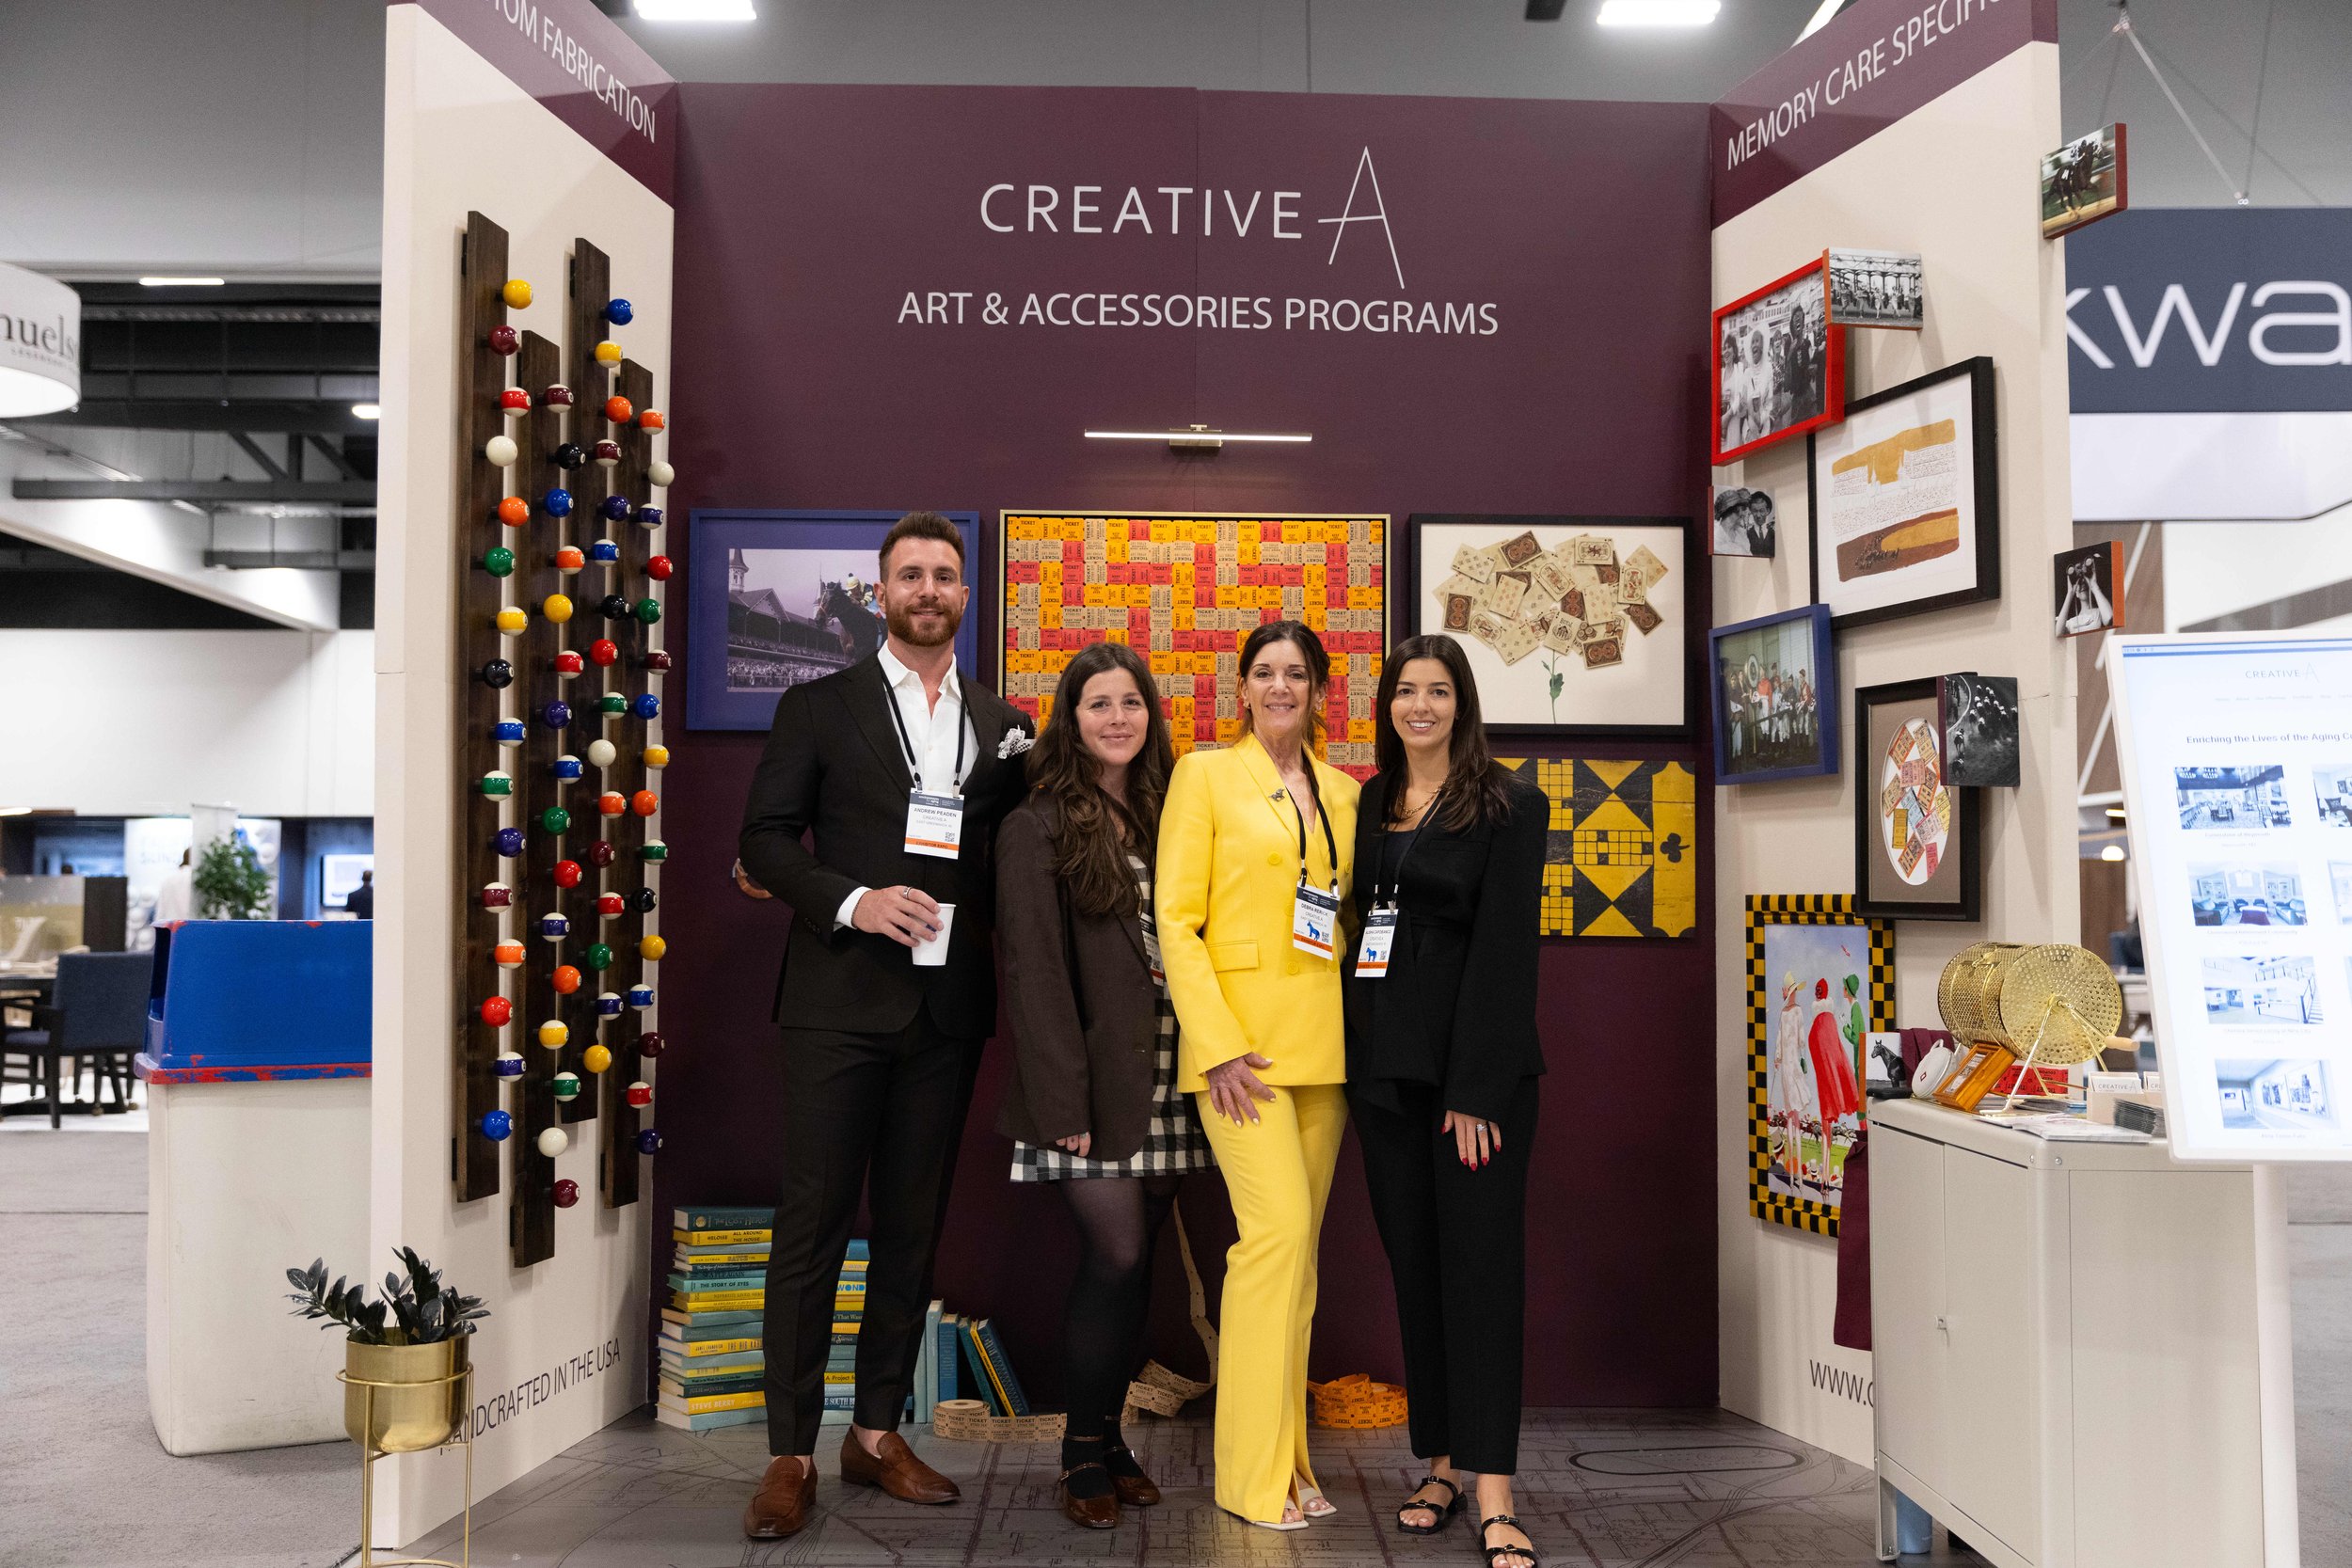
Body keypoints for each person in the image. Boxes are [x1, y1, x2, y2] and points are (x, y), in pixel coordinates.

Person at [734, 511, 1034, 1541]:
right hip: (835, 1006)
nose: (927, 588)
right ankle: (787, 1453)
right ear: (880, 591)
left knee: (912, 1232)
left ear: (963, 594)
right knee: (812, 1232)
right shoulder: (818, 707)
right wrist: (854, 898)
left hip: (945, 1011)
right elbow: (764, 840)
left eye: (945, 575)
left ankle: (873, 1434)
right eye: (909, 574)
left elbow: (1011, 860)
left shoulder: (1002, 724)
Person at [994, 641, 1212, 1530]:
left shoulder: (1170, 813)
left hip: (1171, 1067)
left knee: (1139, 1269)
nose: (1118, 718)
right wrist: (1062, 1108)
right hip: (1086, 1089)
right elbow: (1033, 974)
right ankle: (1081, 1452)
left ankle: (1111, 1439)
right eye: (1098, 705)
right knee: (1114, 1258)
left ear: (1149, 715)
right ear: (1070, 720)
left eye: (1131, 703)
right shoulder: (1037, 824)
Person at [1343, 635, 1547, 1568]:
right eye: (1403, 690)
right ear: (1385, 705)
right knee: (1417, 1270)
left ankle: (1495, 1487)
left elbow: (1507, 954)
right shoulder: (1370, 800)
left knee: (1480, 1274)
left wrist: (1476, 1089)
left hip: (1472, 1084)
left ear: (1461, 701)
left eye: (1436, 690)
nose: (1418, 704)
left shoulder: (1510, 802)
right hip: (1384, 1071)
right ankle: (1440, 1462)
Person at [1156, 619, 1359, 1530]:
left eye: (1297, 674)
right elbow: (1173, 919)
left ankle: (1291, 1462)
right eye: (1265, 672)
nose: (1281, 686)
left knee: (1298, 1266)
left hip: (1327, 1048)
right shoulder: (1202, 774)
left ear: (1319, 689)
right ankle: (1247, 1475)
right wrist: (1217, 1043)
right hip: (1239, 1055)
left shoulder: (1347, 793)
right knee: (1269, 1242)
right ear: (1241, 687)